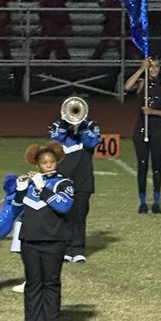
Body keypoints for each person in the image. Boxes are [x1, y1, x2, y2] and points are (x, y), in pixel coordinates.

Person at [14, 142, 74, 321]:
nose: (48, 165)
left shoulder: (64, 183)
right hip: (30, 239)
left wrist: (43, 188)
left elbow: (64, 206)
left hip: (54, 239)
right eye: (44, 162)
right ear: (37, 164)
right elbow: (15, 209)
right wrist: (20, 190)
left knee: (51, 282)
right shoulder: (30, 182)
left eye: (51, 161)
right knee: (33, 282)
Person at [48, 105, 100, 263]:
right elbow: (55, 141)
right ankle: (65, 247)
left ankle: (78, 248)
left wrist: (81, 126)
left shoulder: (91, 126)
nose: (75, 113)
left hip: (83, 178)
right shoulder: (58, 125)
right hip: (63, 178)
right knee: (64, 213)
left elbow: (91, 143)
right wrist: (67, 125)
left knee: (80, 214)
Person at [124, 58, 161, 214]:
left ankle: (157, 201)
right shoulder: (142, 84)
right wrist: (141, 69)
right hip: (141, 129)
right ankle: (143, 201)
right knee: (142, 165)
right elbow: (127, 86)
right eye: (151, 67)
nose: (154, 69)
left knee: (157, 166)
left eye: (156, 66)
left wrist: (153, 112)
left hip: (157, 130)